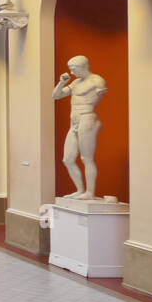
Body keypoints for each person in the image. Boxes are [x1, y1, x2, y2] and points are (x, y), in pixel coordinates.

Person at [52, 55, 108, 199]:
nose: (71, 72)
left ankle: (90, 192)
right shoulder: (76, 83)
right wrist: (61, 82)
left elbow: (101, 95)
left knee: (86, 158)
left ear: (83, 66)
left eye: (73, 68)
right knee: (68, 159)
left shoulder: (97, 81)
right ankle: (80, 190)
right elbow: (56, 96)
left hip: (87, 118)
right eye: (70, 69)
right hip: (74, 122)